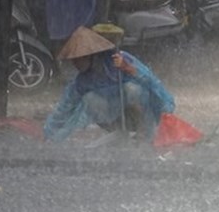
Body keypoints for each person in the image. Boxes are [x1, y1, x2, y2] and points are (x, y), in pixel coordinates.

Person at [43, 26, 175, 142]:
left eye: (79, 59)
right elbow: (66, 106)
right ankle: (119, 132)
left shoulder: (121, 60)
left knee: (132, 89)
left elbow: (151, 82)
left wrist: (129, 69)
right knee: (90, 99)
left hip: (138, 113)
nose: (75, 64)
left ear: (91, 55)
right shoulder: (83, 81)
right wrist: (50, 132)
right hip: (116, 119)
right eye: (73, 60)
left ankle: (144, 132)